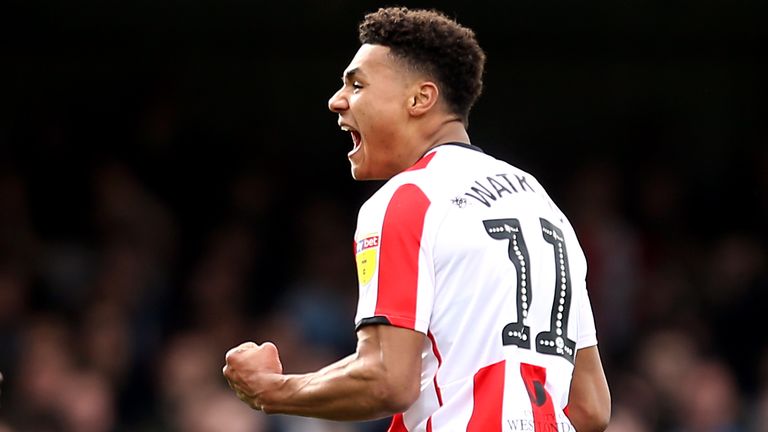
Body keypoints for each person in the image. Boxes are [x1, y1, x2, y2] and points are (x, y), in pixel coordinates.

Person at [223, 6, 611, 431]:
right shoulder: (543, 207)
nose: (337, 100)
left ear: (420, 99)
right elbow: (591, 407)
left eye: (357, 84)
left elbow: (387, 380)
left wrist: (272, 390)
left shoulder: (408, 199)